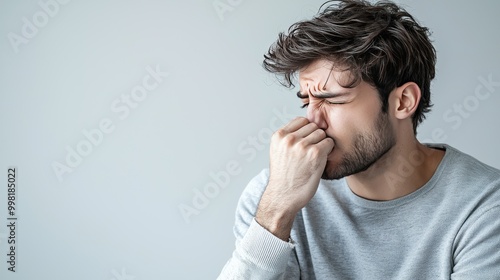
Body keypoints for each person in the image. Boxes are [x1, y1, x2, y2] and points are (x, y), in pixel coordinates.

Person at [217, 0, 500, 279]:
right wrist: (276, 212)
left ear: (403, 102)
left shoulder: (484, 207)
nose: (313, 121)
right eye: (307, 102)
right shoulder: (273, 197)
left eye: (332, 101)